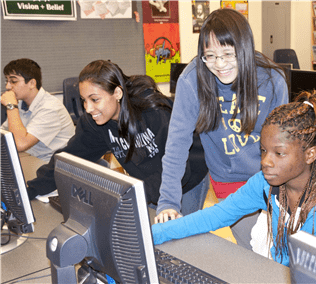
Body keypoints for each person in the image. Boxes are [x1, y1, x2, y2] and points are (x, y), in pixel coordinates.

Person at [152, 92, 316, 266]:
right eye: (262, 151)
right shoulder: (265, 184)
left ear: (310, 154)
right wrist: (151, 234)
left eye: (279, 153)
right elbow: (216, 215)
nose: (266, 162)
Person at [155, 8, 288, 249]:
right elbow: (176, 146)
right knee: (253, 251)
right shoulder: (192, 79)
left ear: (245, 49)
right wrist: (168, 203)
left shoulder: (271, 80)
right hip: (230, 181)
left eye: (228, 54)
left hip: (272, 179)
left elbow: (284, 145)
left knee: (281, 251)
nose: (220, 64)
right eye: (210, 56)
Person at [26, 60, 208, 209]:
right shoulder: (95, 123)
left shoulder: (154, 111)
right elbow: (69, 158)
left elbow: (178, 166)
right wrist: (32, 189)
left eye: (95, 99)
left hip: (187, 176)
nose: (88, 109)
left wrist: (129, 195)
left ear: (117, 93)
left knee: (180, 238)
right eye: (84, 100)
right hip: (147, 182)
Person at [0, 58, 75, 162]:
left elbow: (20, 144)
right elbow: (4, 132)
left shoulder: (50, 108)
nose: (8, 86)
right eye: (7, 81)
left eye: (13, 81)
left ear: (32, 83)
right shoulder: (21, 102)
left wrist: (11, 106)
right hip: (30, 157)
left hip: (52, 164)